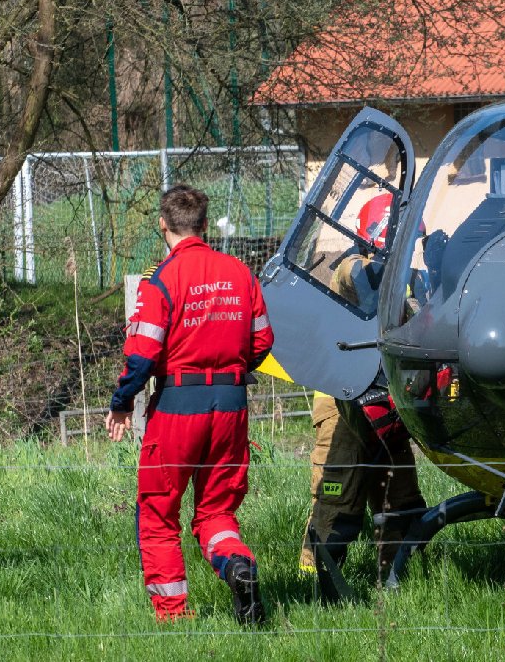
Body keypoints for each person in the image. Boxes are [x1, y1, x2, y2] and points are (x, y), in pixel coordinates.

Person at [106, 184, 274, 625]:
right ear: (204, 224)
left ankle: (174, 614)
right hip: (232, 403)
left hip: (179, 404)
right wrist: (232, 370)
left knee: (159, 509)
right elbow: (262, 341)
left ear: (163, 225)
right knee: (217, 510)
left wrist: (122, 401)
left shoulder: (162, 279)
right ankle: (237, 564)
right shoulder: (240, 273)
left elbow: (142, 352)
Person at [298, 193, 427, 601]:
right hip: (343, 404)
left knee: (399, 493)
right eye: (405, 238)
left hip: (386, 400)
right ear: (380, 235)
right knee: (337, 496)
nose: (411, 248)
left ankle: (397, 578)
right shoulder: (353, 269)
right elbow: (369, 285)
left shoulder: (400, 275)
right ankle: (314, 582)